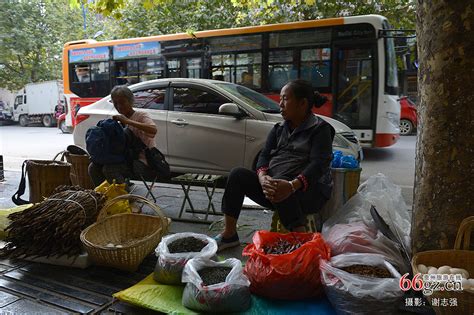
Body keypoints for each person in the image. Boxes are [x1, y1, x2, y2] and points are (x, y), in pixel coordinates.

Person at [214, 79, 334, 251]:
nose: (280, 104)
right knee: (237, 175)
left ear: (302, 103)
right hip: (275, 188)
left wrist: (292, 185)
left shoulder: (321, 130)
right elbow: (263, 157)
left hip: (309, 193)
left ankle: (301, 243)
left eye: (285, 99)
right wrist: (263, 178)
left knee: (280, 185)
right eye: (280, 99)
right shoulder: (278, 129)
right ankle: (229, 234)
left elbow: (319, 164)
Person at [88, 85, 159, 186]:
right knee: (93, 167)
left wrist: (127, 121)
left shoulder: (141, 116)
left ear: (130, 101)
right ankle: (104, 195)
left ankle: (122, 196)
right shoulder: (117, 120)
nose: (119, 106)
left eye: (122, 102)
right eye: (116, 103)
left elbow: (153, 130)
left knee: (109, 169)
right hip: (123, 158)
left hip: (142, 161)